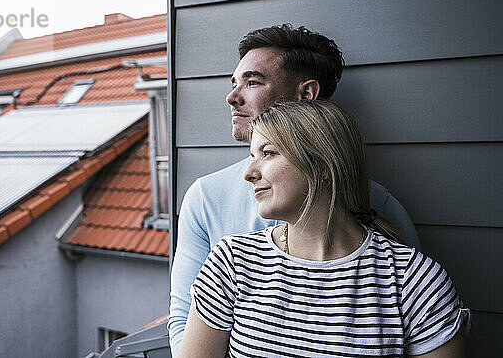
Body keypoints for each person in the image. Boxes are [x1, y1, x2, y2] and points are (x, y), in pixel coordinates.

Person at [168, 24, 421, 354]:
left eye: (253, 82)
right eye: (234, 84)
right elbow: (183, 319)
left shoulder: (382, 210)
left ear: (306, 94)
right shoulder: (205, 199)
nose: (232, 97)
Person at [178, 100, 470, 357]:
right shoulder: (232, 263)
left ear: (322, 167)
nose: (249, 173)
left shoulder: (415, 281)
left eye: (267, 153)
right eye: (253, 155)